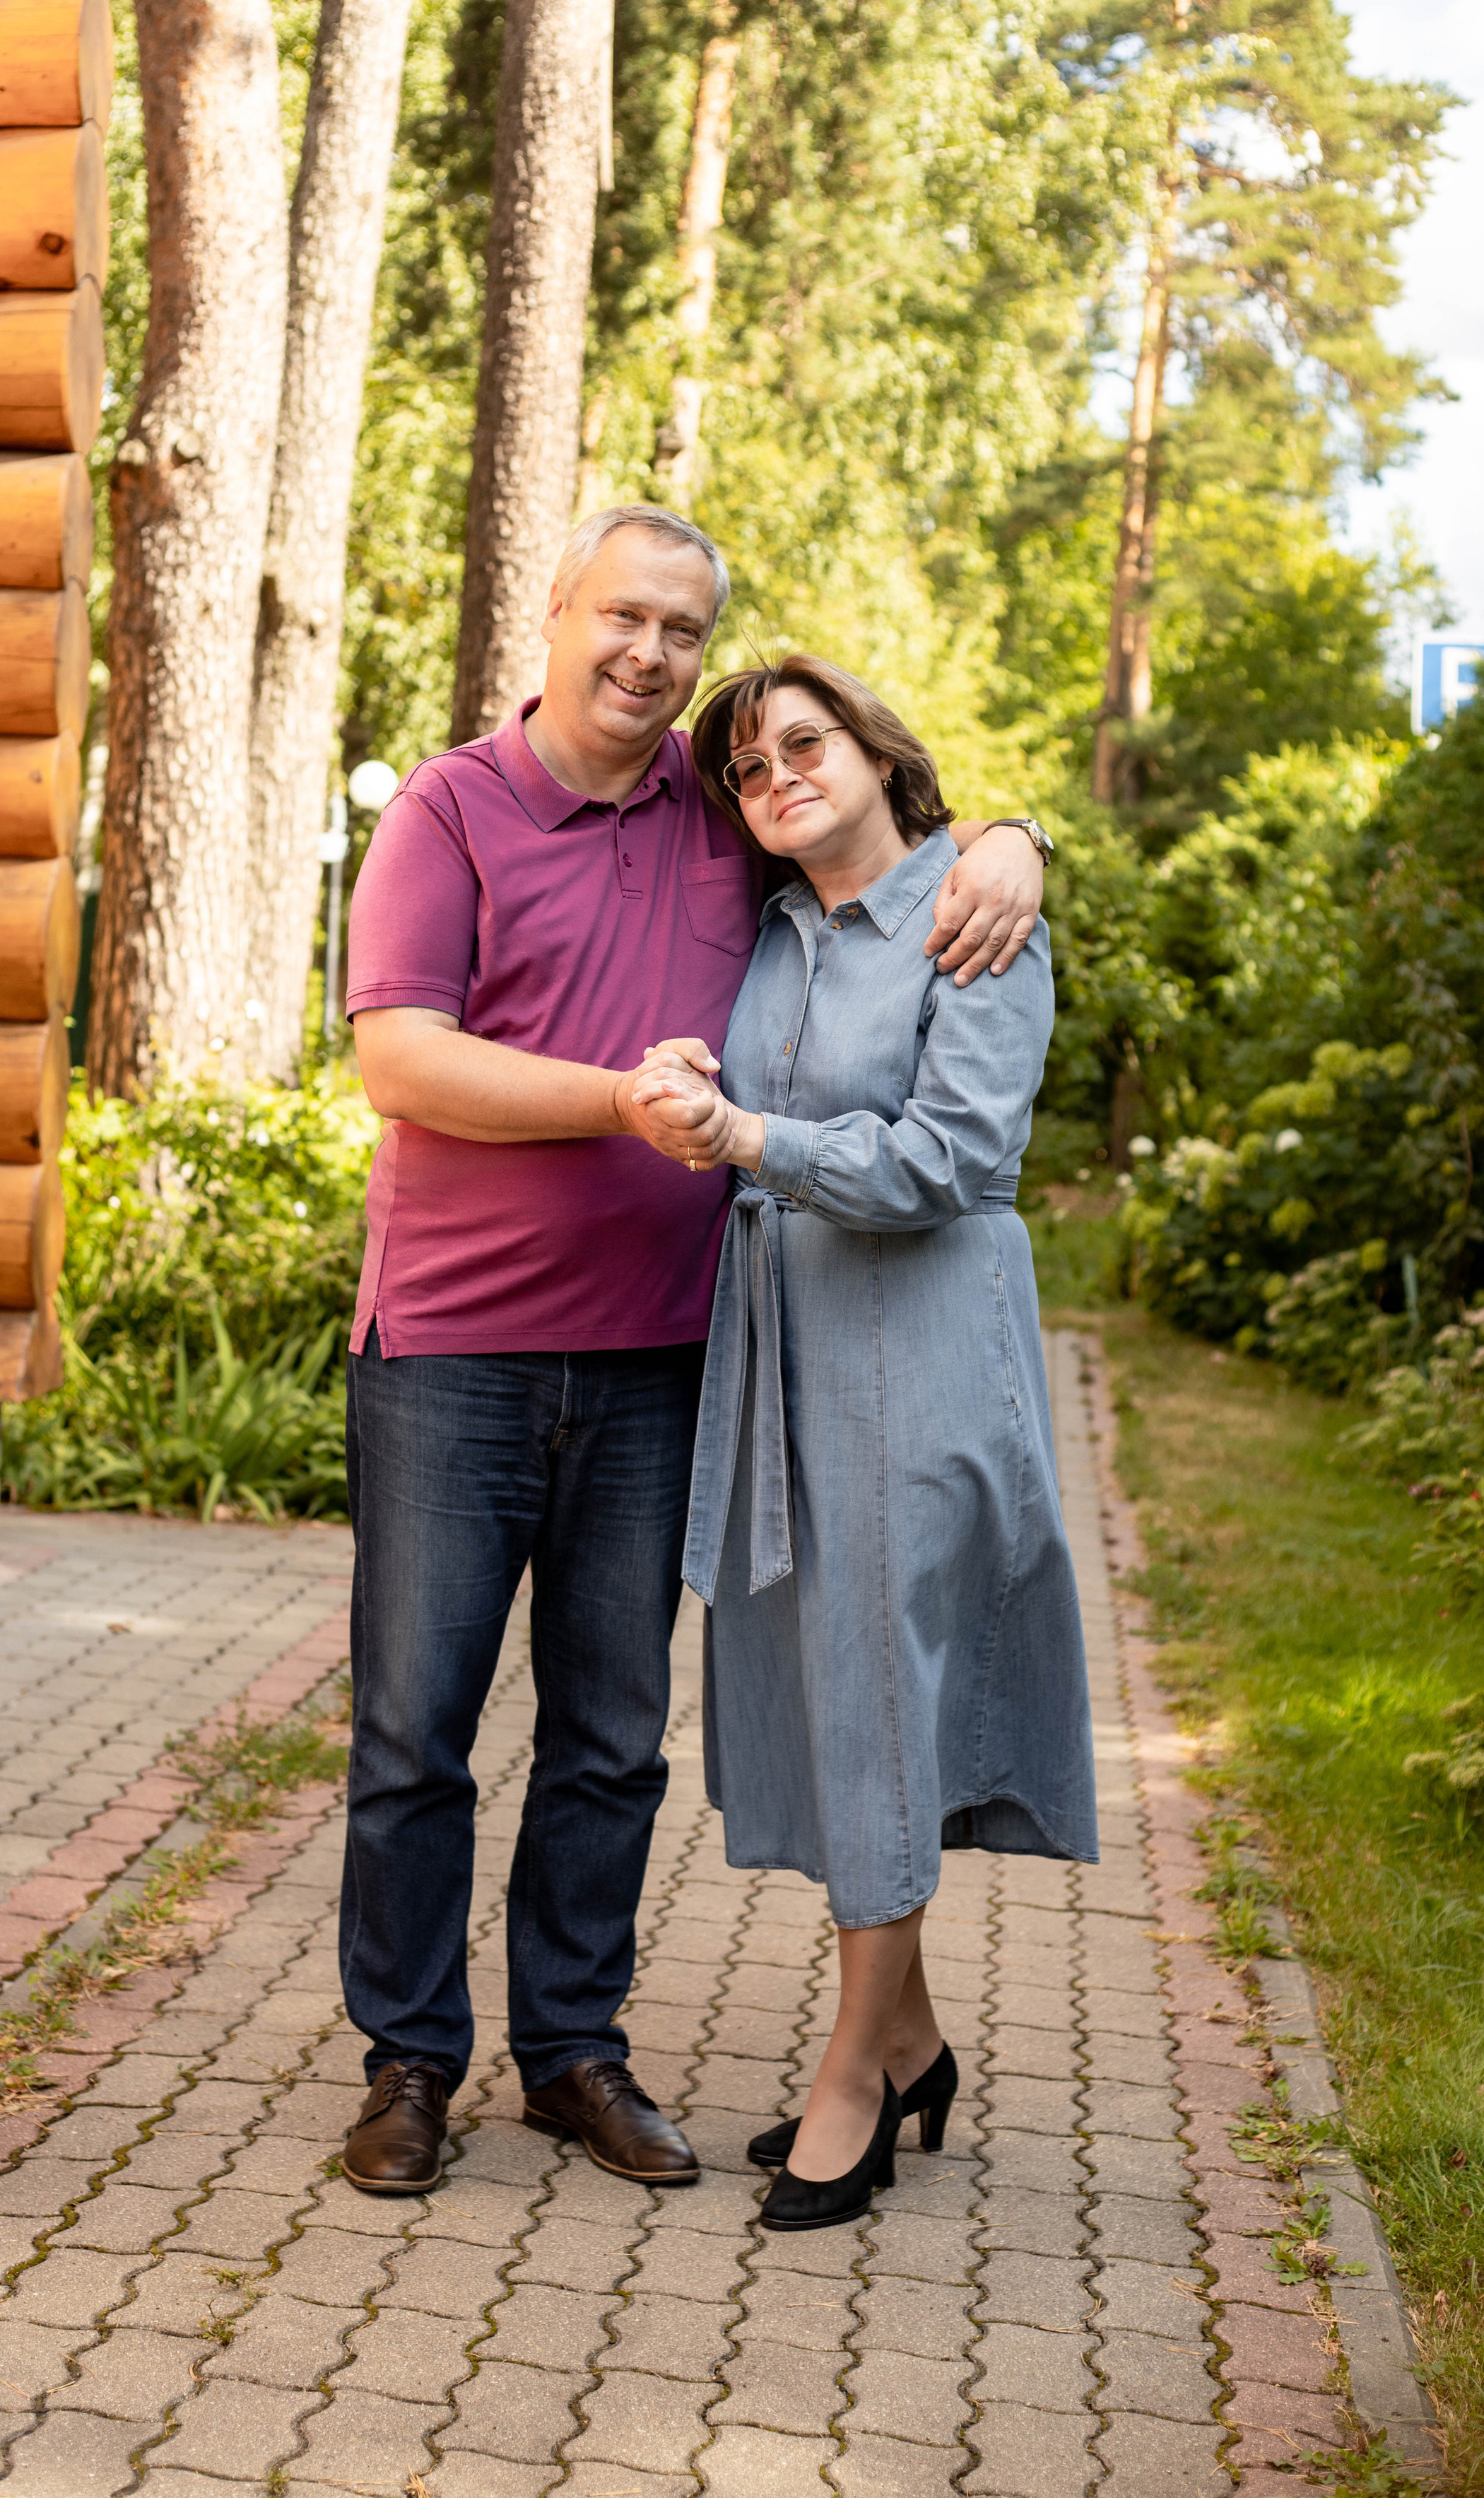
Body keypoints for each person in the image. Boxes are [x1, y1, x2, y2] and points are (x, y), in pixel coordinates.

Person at [336, 505, 1052, 2198]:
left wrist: (1014, 838)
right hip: (451, 1350)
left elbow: (870, 823)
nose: (649, 656)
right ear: (556, 612)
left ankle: (570, 2053)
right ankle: (408, 2063)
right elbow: (399, 1062)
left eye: (680, 630)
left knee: (609, 1736)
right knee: (415, 1735)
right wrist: (622, 1104)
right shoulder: (448, 809)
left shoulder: (716, 807)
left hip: (665, 1356)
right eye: (623, 617)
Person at [629, 653, 1095, 2232]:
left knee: (885, 1701)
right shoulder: (770, 930)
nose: (776, 781)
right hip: (784, 1355)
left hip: (923, 1351)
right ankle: (914, 2044)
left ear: (878, 752)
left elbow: (953, 1157)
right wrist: (694, 1087)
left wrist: (750, 1138)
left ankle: (853, 2083)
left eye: (802, 745)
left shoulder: (971, 912)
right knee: (827, 1696)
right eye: (749, 770)